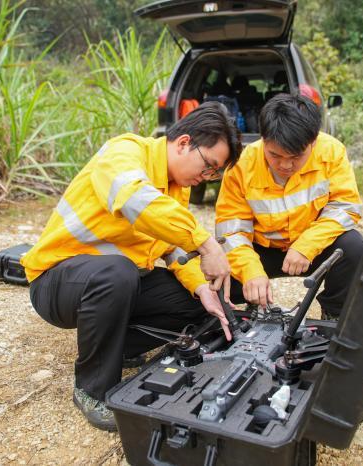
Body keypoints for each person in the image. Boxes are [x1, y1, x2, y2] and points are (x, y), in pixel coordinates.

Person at [21, 102, 241, 431]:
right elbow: (137, 201)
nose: (206, 178)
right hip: (56, 281)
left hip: (116, 282)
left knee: (206, 298)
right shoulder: (123, 152)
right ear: (184, 143)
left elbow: (171, 249)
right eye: (208, 166)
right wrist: (206, 243)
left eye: (214, 173)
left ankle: (115, 349)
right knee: (118, 273)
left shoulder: (176, 188)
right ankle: (91, 389)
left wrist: (200, 288)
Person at [215, 94, 363, 318]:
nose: (285, 165)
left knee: (353, 247)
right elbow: (231, 231)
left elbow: (346, 207)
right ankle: (251, 304)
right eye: (274, 155)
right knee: (213, 268)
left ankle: (334, 316)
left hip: (311, 247)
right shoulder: (241, 165)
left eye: (296, 156)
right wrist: (250, 272)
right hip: (262, 249)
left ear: (313, 142)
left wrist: (306, 245)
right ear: (263, 139)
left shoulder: (331, 151)